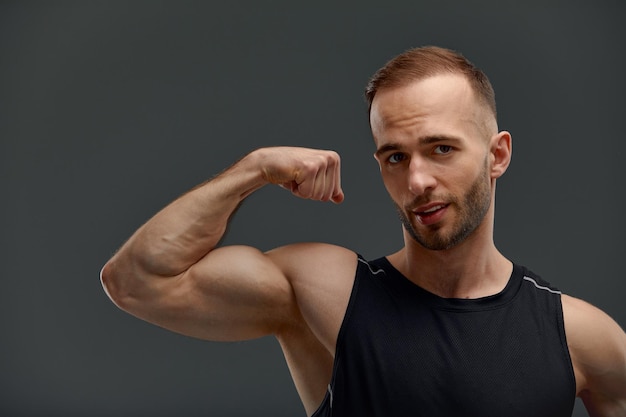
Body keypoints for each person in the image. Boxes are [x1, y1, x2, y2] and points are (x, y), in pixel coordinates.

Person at [101, 46, 626, 417]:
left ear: (498, 155)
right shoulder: (324, 292)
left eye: (441, 149)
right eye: (395, 157)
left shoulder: (580, 337)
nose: (417, 180)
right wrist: (253, 169)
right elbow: (135, 281)